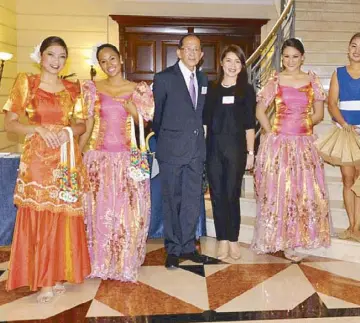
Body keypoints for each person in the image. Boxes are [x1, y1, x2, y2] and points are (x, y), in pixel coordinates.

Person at [3, 36, 90, 302]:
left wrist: (67, 132)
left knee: (63, 214)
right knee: (40, 215)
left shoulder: (73, 88)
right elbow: (11, 124)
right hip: (38, 160)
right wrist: (37, 129)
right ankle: (43, 281)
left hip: (65, 157)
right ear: (40, 56)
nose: (56, 61)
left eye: (62, 56)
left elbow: (82, 125)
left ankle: (59, 272)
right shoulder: (25, 83)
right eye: (51, 55)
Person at [79, 43, 154, 282]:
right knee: (99, 212)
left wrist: (133, 112)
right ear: (99, 65)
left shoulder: (137, 89)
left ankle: (124, 261)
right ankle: (100, 261)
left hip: (127, 160)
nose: (109, 64)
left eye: (112, 58)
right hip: (98, 159)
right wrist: (78, 155)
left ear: (121, 59)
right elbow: (88, 124)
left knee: (128, 211)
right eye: (103, 61)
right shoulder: (92, 88)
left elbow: (146, 122)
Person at [251, 38, 331, 261]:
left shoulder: (311, 80)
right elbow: (260, 111)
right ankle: (278, 238)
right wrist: (271, 132)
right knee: (280, 191)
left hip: (304, 143)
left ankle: (295, 240)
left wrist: (302, 126)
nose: (290, 60)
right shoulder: (275, 80)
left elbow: (319, 114)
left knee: (300, 192)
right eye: (286, 56)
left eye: (295, 56)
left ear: (302, 57)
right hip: (279, 144)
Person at [152, 34, 209, 269]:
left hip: (196, 152)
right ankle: (173, 249)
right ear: (179, 52)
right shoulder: (164, 78)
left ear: (202, 54)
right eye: (188, 49)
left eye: (197, 49)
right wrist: (171, 138)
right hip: (171, 151)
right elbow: (157, 118)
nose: (193, 53)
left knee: (191, 201)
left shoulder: (204, 79)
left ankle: (188, 246)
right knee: (172, 201)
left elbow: (201, 115)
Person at [204, 45, 256, 260]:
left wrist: (251, 153)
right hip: (213, 148)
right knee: (216, 195)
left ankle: (233, 240)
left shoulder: (246, 90)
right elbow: (205, 122)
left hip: (236, 149)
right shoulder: (212, 88)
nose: (233, 65)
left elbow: (249, 125)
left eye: (237, 61)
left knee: (232, 194)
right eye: (229, 60)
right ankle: (222, 240)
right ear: (222, 63)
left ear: (242, 66)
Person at [327, 32, 360, 244]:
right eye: (353, 46)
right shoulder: (338, 73)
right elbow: (331, 104)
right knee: (347, 178)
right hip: (345, 132)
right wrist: (346, 125)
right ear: (348, 49)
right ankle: (350, 224)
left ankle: (357, 227)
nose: (357, 50)